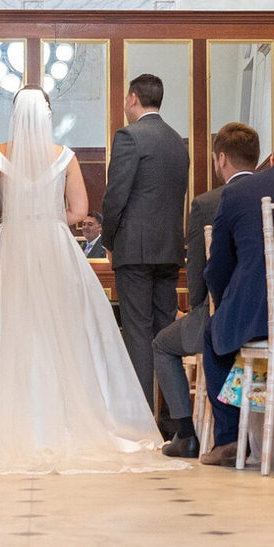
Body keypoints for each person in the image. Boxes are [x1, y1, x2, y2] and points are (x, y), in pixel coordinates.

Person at [0, 87, 172, 472]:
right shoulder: (65, 157)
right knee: (60, 331)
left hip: (9, 246)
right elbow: (78, 209)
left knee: (4, 329)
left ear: (15, 115)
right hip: (55, 246)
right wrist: (47, 216)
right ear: (47, 115)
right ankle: (63, 419)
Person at [199, 129, 274, 466]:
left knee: (213, 336)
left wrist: (226, 306)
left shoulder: (241, 192)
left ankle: (229, 439)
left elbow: (218, 265)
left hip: (256, 315)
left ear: (272, 158)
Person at [153, 122, 258, 458]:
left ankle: (185, 434)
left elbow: (198, 271)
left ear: (221, 158)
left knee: (162, 344)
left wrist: (196, 310)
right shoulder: (273, 191)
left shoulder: (207, 202)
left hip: (222, 315)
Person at [101, 72, 191, 416]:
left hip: (134, 250)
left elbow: (115, 197)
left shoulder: (129, 136)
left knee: (138, 333)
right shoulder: (176, 141)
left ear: (132, 98)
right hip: (169, 250)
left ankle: (142, 418)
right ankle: (174, 417)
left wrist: (109, 240)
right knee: (164, 333)